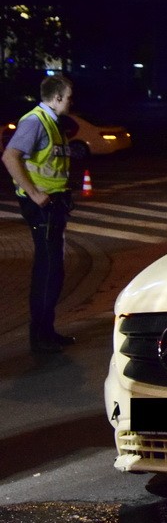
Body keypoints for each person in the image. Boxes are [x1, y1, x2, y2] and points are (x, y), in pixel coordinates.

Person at [1, 74, 77, 354]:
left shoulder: (53, 124)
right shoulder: (35, 122)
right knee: (48, 271)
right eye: (69, 97)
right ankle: (41, 335)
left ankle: (46, 330)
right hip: (42, 207)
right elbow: (10, 157)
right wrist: (34, 194)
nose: (71, 102)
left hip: (53, 205)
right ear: (57, 98)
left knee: (53, 269)